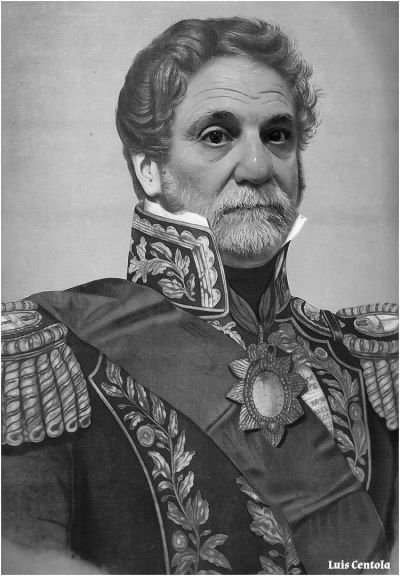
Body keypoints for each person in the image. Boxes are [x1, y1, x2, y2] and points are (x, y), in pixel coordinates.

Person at [2, 17, 398, 575]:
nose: (257, 167)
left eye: (277, 136)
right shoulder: (45, 358)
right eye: (217, 136)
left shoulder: (372, 360)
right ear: (149, 169)